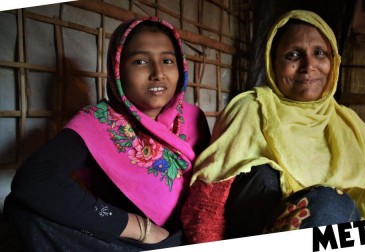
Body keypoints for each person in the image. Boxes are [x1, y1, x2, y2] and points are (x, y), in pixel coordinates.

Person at [181, 10, 365, 244]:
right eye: (293, 55)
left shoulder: (348, 121)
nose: (308, 66)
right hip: (272, 237)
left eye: (319, 53)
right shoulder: (252, 108)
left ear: (333, 60)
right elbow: (211, 192)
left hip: (353, 233)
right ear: (273, 62)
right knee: (328, 205)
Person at [3, 17, 210, 251]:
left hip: (192, 235)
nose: (158, 73)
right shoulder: (98, 121)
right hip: (131, 243)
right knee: (22, 210)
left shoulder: (193, 118)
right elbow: (34, 179)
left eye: (167, 60)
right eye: (140, 61)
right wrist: (141, 228)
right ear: (118, 69)